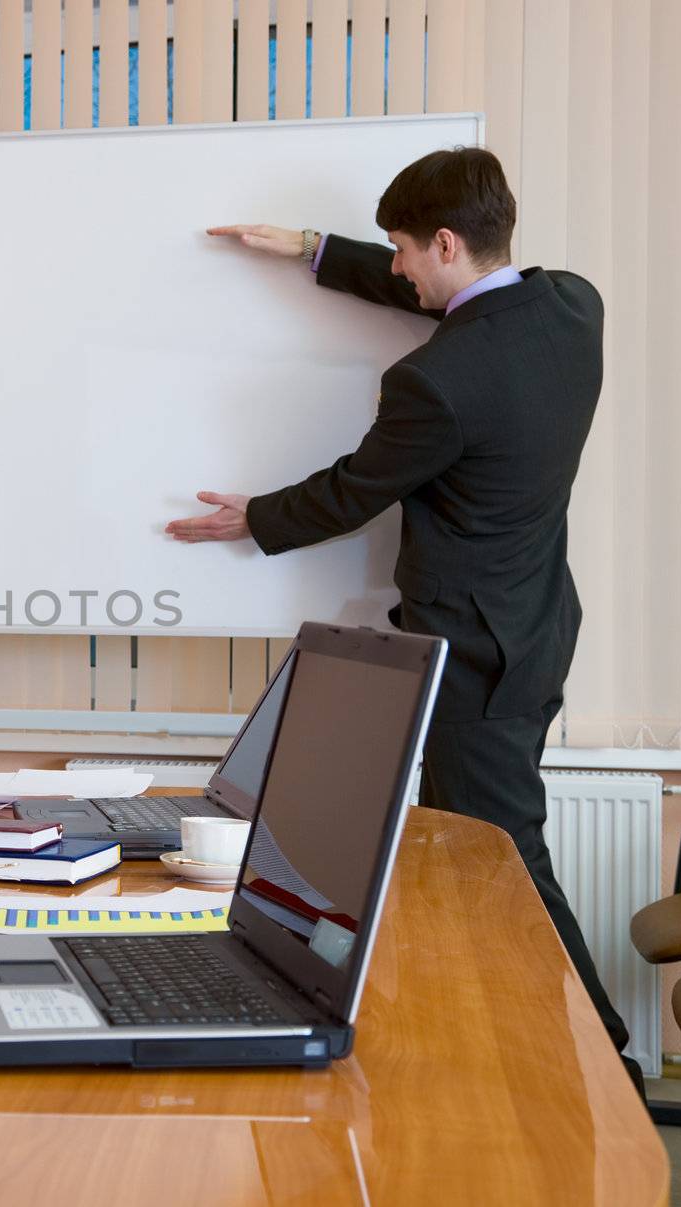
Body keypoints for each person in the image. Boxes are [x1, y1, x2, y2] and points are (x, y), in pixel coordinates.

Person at [165, 148, 641, 1092]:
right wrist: (313, 250)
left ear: (449, 241)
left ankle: (602, 1060)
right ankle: (532, 1051)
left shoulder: (438, 383)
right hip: (534, 629)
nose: (396, 269)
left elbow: (353, 491)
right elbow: (471, 307)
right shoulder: (570, 305)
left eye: (401, 251)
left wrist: (252, 515)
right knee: (491, 854)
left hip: (473, 659)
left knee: (503, 865)